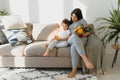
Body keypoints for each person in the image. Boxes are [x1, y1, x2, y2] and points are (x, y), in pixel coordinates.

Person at [67, 8, 94, 78]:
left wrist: (82, 35)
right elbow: (67, 34)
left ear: (79, 16)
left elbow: (89, 32)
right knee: (73, 36)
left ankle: (74, 70)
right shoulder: (69, 24)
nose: (73, 18)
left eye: (75, 17)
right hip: (71, 39)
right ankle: (86, 60)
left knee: (73, 47)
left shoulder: (82, 21)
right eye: (72, 16)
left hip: (81, 39)